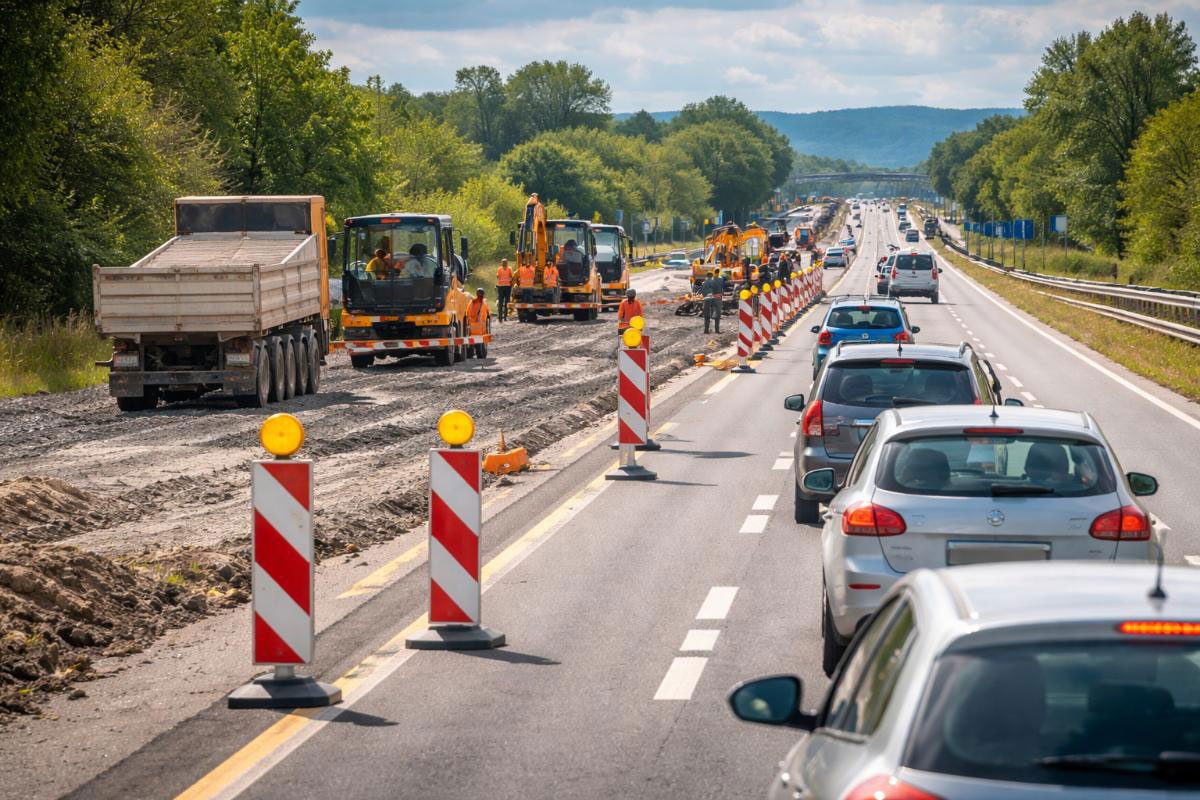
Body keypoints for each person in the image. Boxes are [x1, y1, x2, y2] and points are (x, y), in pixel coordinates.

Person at [701, 270, 723, 334]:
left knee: (707, 315)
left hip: (707, 299)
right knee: (717, 314)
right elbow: (721, 290)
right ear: (712, 275)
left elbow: (703, 293)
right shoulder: (717, 280)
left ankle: (706, 330)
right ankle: (717, 330)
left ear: (707, 276)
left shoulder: (705, 282)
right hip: (717, 299)